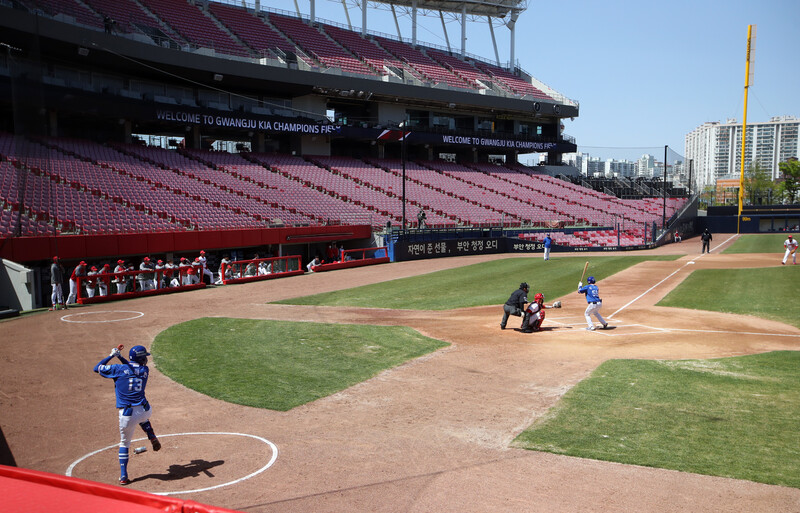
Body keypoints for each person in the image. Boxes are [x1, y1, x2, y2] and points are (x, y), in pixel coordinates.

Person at [94, 345, 161, 485]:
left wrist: (112, 355)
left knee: (124, 443)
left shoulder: (117, 369)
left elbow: (97, 368)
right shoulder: (144, 370)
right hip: (145, 410)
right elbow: (132, 368)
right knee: (143, 418)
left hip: (127, 415)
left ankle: (123, 476)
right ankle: (151, 435)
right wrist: (120, 357)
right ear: (141, 358)